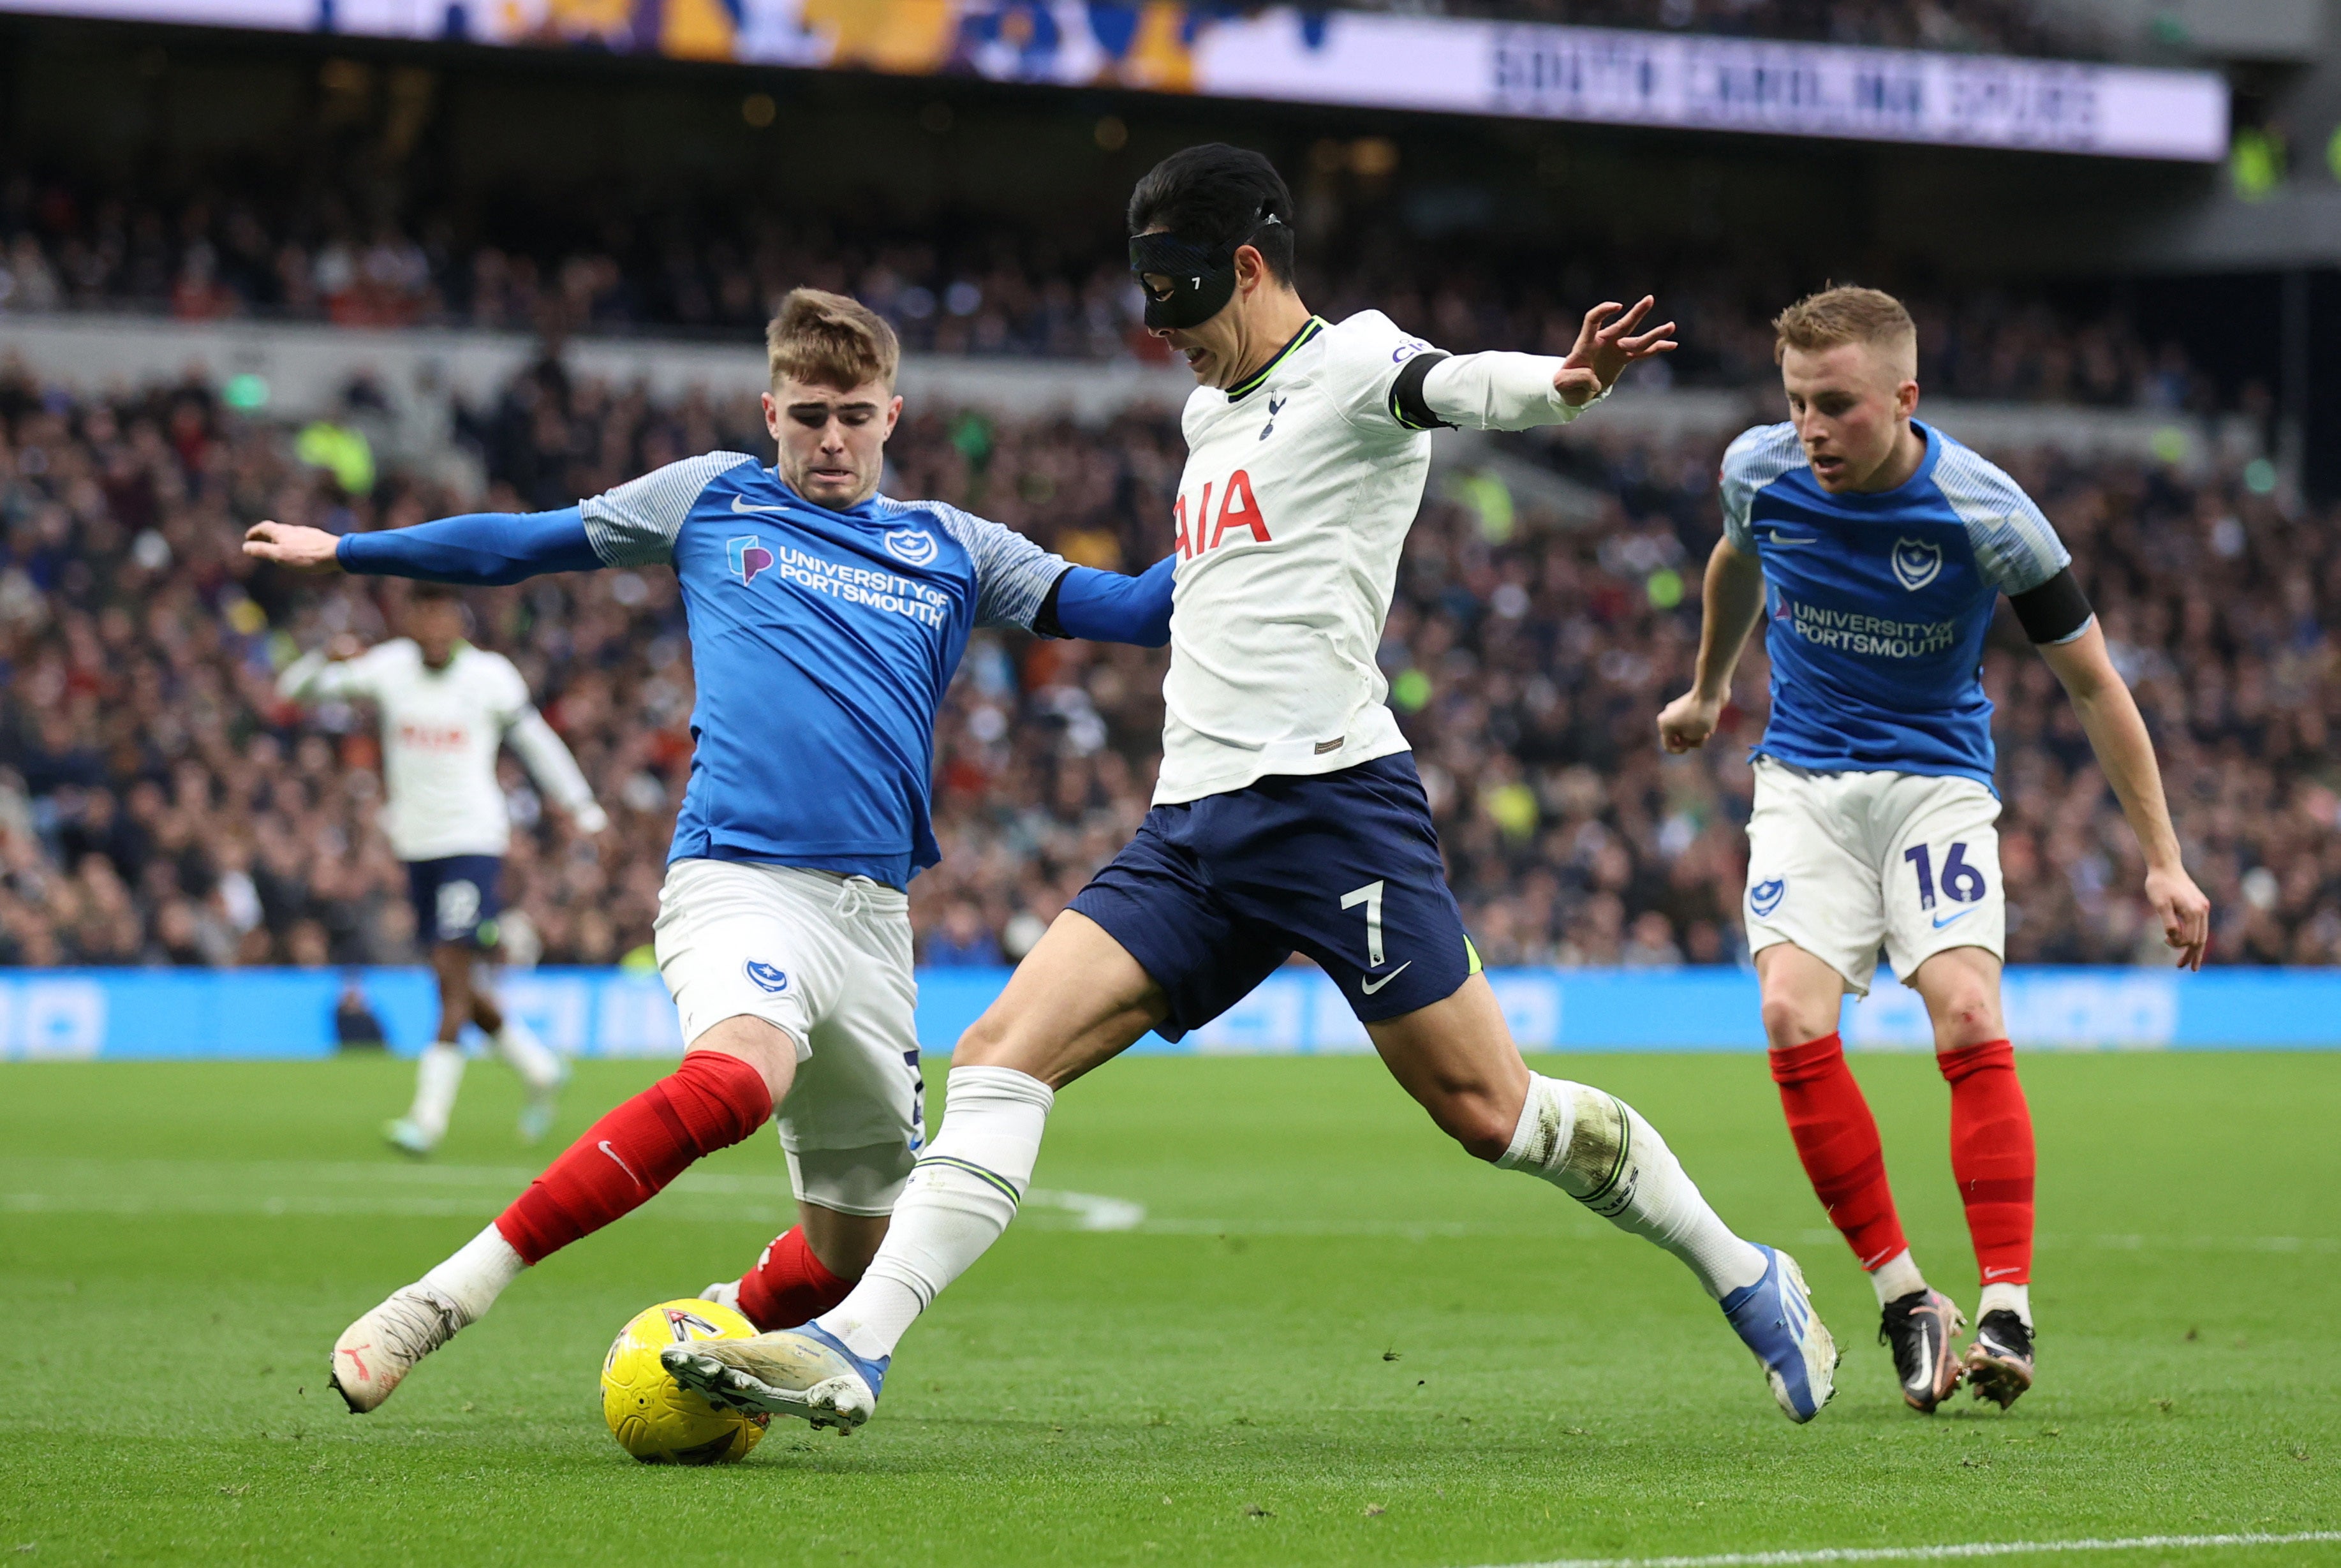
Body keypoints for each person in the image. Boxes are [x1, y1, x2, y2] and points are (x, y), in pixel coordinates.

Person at [662, 145, 1838, 1435]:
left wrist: (1560, 387)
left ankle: (1745, 1272)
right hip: (1191, 824)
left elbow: (1444, 385)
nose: (1170, 341)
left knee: (1492, 1113)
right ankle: (853, 1345)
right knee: (1002, 1051)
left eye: (1182, 305)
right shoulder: (1205, 414)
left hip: (1333, 809)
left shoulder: (1350, 363)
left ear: (1248, 264)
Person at [243, 288, 1173, 1414]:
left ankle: (714, 1326)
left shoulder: (957, 548)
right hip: (738, 876)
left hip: (874, 919)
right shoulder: (710, 497)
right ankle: (443, 1296)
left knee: (854, 1250)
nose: (832, 437)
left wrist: (1253, 534)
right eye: (812, 414)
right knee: (736, 1076)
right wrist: (348, 550)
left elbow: (1131, 610)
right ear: (770, 409)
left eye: (856, 415)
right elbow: (521, 544)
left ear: (895, 416)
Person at [1652, 285, 2212, 1412]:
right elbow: (1733, 559)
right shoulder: (1759, 471)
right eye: (1799, 403)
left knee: (1964, 1008)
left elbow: (2095, 682)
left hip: (1935, 786)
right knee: (1789, 1013)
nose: (1812, 429)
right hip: (1802, 782)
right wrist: (1711, 685)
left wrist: (2164, 856)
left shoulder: (1989, 514)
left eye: (1839, 408)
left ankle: (2007, 1300)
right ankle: (1908, 1293)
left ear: (1905, 399)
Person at [277, 582, 601, 1154]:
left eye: (444, 614)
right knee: (450, 975)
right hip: (417, 845)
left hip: (474, 839)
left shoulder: (490, 677)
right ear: (410, 620)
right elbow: (292, 692)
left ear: (459, 621)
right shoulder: (389, 668)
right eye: (423, 614)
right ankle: (538, 1066)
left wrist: (579, 805)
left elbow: (537, 741)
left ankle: (426, 1120)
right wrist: (321, 657)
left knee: (451, 971)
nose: (434, 625)